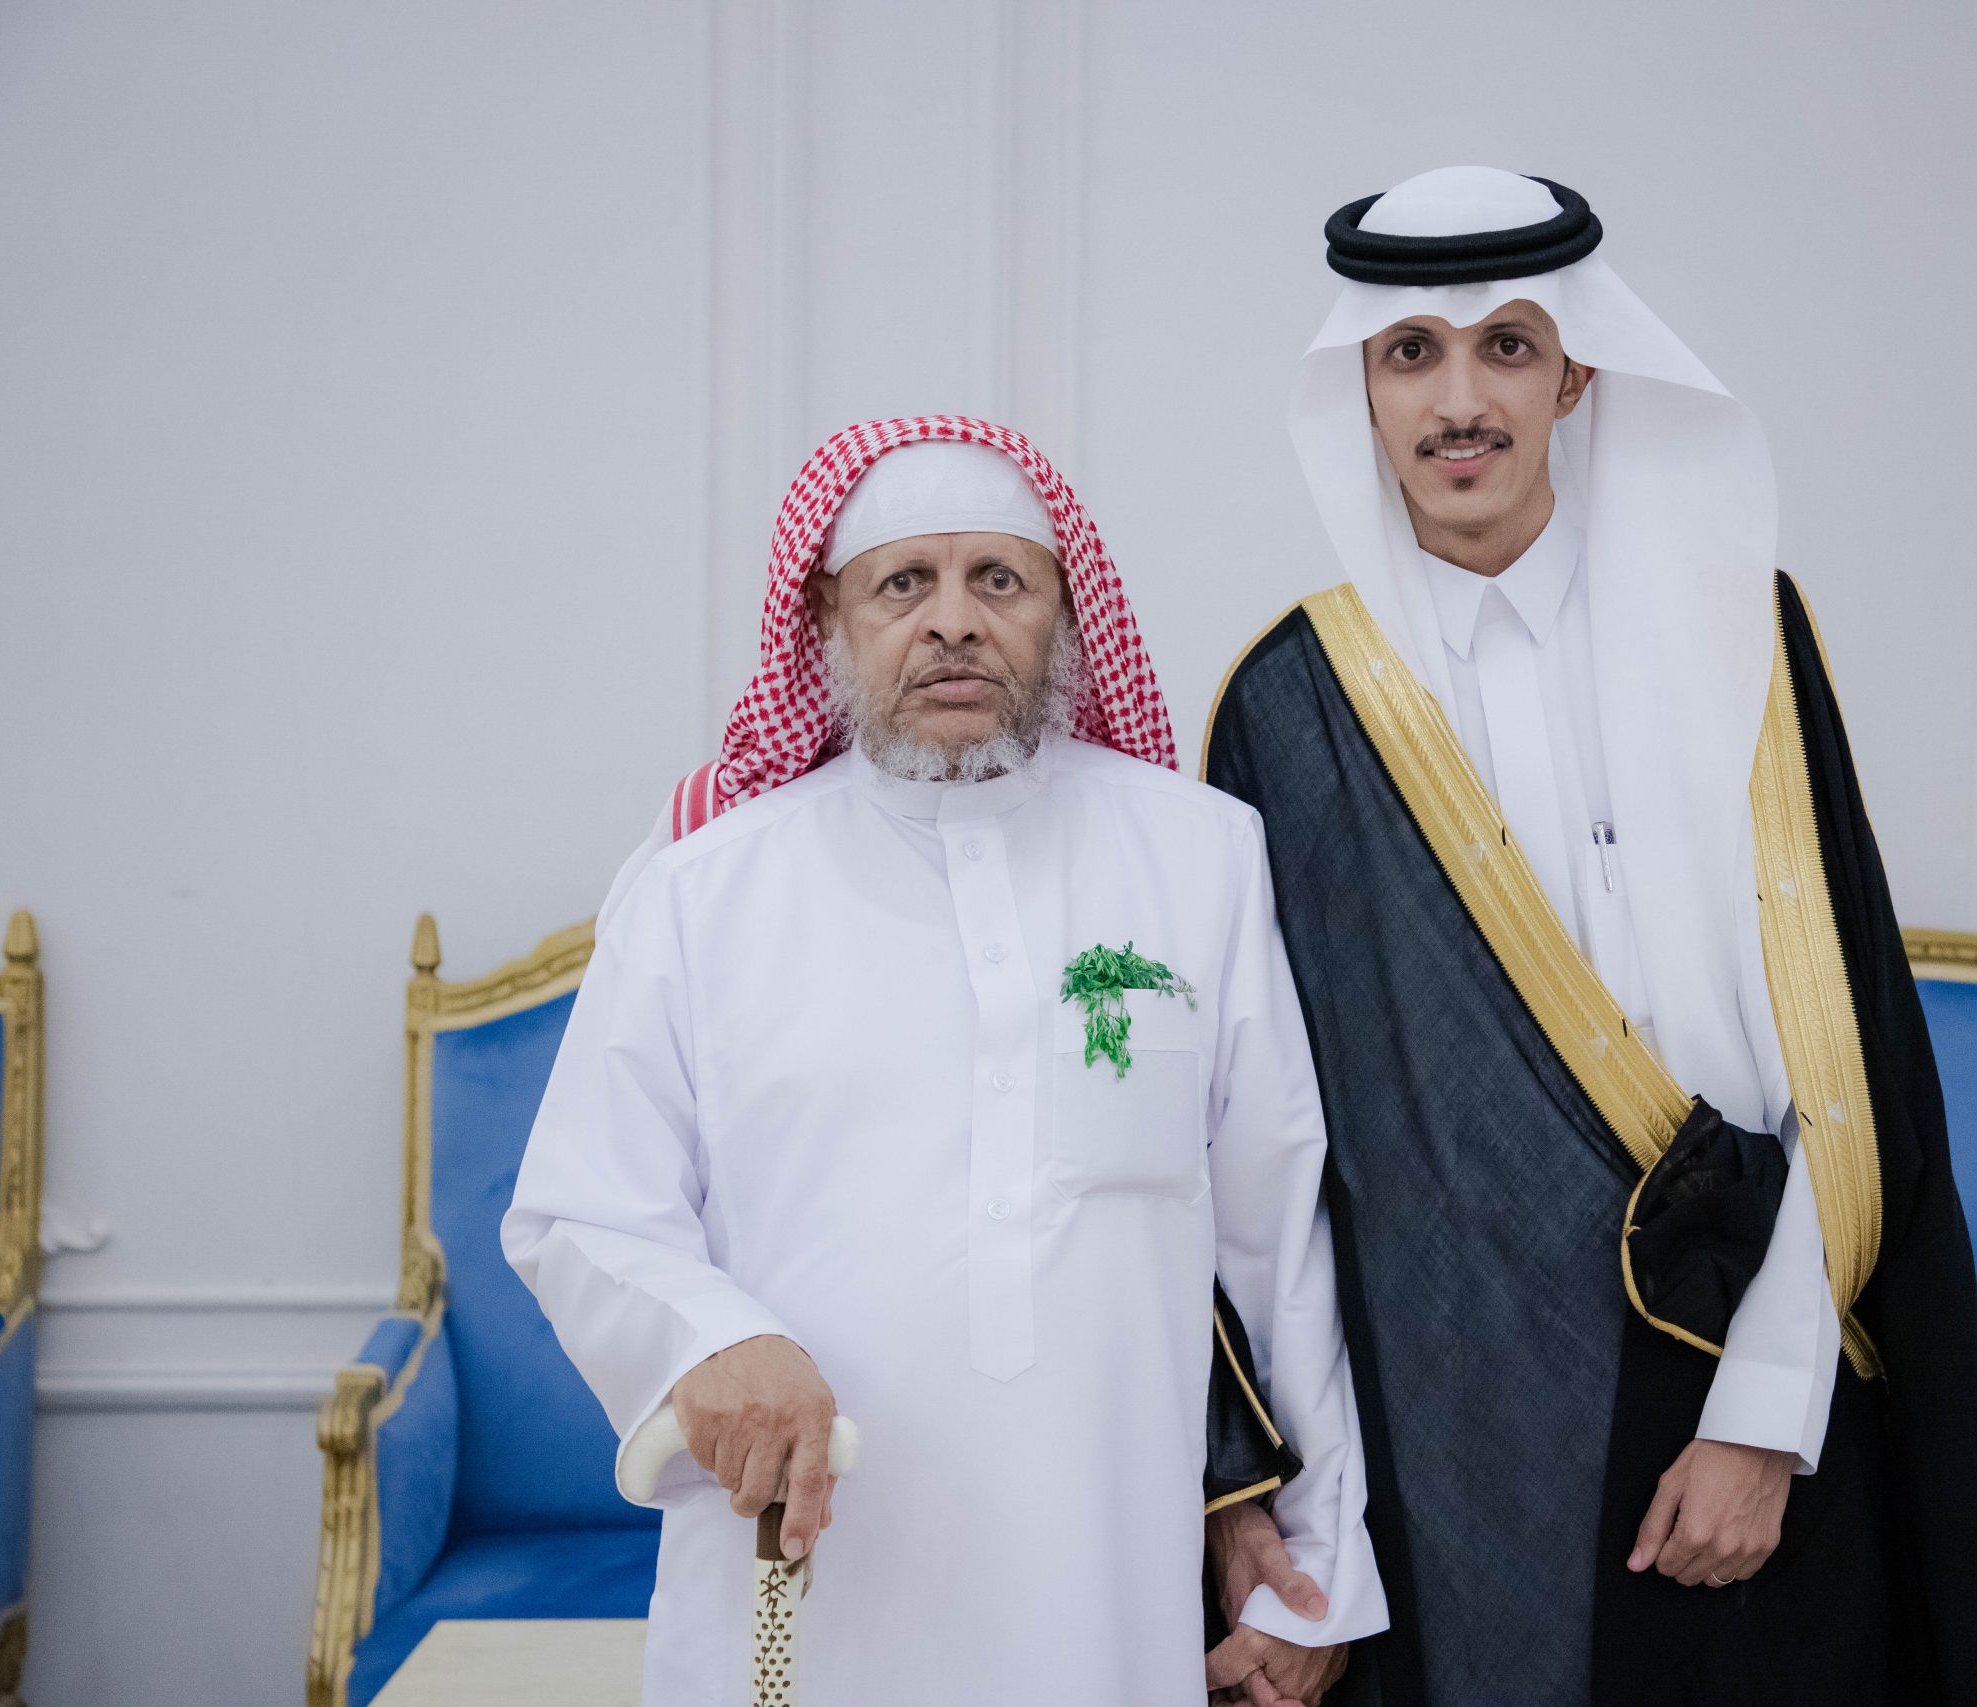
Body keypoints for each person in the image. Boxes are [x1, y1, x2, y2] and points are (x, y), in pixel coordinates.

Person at [1197, 168, 1977, 1703]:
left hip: (1752, 1372)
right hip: (1452, 1424)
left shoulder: (1741, 632)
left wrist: (1765, 1418)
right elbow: (1272, 1157)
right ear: (1361, 391)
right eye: (1411, 354)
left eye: (1507, 347)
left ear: (1576, 375)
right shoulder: (1291, 705)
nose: (1460, 401)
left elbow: (1844, 1063)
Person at [504, 418, 1387, 1707]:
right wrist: (715, 1342)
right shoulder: (704, 891)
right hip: (811, 1578)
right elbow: (581, 1211)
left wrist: (1315, 1555)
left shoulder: (1198, 856)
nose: (954, 622)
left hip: (1106, 1591)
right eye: (904, 583)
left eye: (999, 580)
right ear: (829, 621)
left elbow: (1275, 1233)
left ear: (1064, 613)